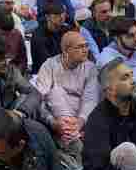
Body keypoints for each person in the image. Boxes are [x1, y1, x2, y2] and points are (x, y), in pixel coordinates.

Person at [34, 30, 100, 159]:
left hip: (79, 121)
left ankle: (71, 140)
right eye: (80, 47)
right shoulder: (49, 65)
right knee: (55, 92)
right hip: (57, 118)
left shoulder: (91, 68)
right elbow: (38, 98)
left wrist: (79, 123)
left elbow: (90, 100)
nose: (85, 50)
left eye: (86, 45)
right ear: (66, 51)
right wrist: (53, 122)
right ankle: (72, 142)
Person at [31, 1, 70, 75]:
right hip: (44, 73)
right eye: (56, 14)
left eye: (63, 13)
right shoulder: (39, 36)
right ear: (47, 17)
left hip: (64, 69)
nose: (61, 17)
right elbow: (45, 62)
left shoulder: (66, 29)